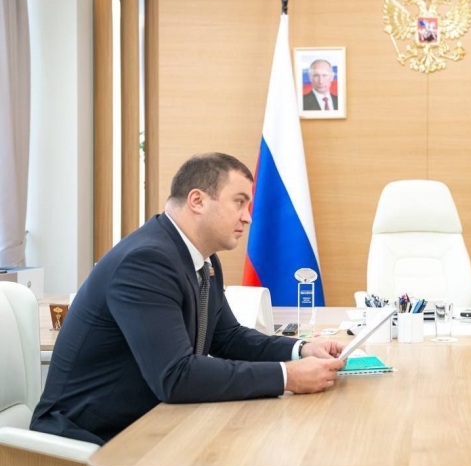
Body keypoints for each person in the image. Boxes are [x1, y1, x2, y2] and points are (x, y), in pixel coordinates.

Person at [31, 153, 345, 445]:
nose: (248, 217)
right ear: (197, 200)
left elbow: (228, 338)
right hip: (88, 438)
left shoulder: (202, 259)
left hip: (151, 423)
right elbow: (175, 376)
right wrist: (287, 377)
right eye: (239, 202)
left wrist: (300, 350)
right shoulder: (146, 261)